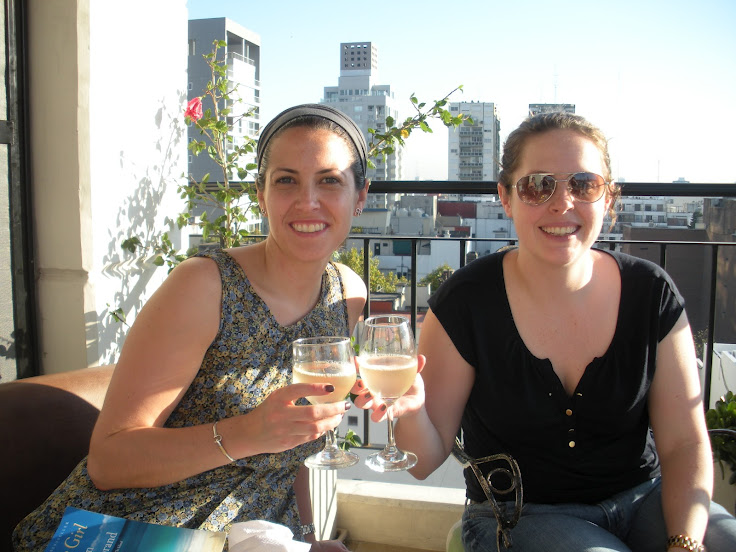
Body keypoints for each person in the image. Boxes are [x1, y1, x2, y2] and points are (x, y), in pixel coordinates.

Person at [355, 112, 736, 551]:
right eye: (538, 185)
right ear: (506, 197)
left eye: (583, 184)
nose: (562, 203)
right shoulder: (467, 301)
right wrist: (410, 410)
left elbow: (684, 442)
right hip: (519, 516)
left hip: (645, 499)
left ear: (608, 198)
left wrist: (685, 542)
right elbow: (423, 462)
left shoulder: (651, 292)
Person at [13, 104, 370, 552]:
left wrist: (311, 539)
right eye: (286, 180)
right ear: (261, 194)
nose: (307, 201)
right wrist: (248, 432)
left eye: (330, 180)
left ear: (360, 195)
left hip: (249, 538)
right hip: (132, 531)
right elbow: (108, 461)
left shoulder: (346, 294)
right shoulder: (204, 285)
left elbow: (291, 455)